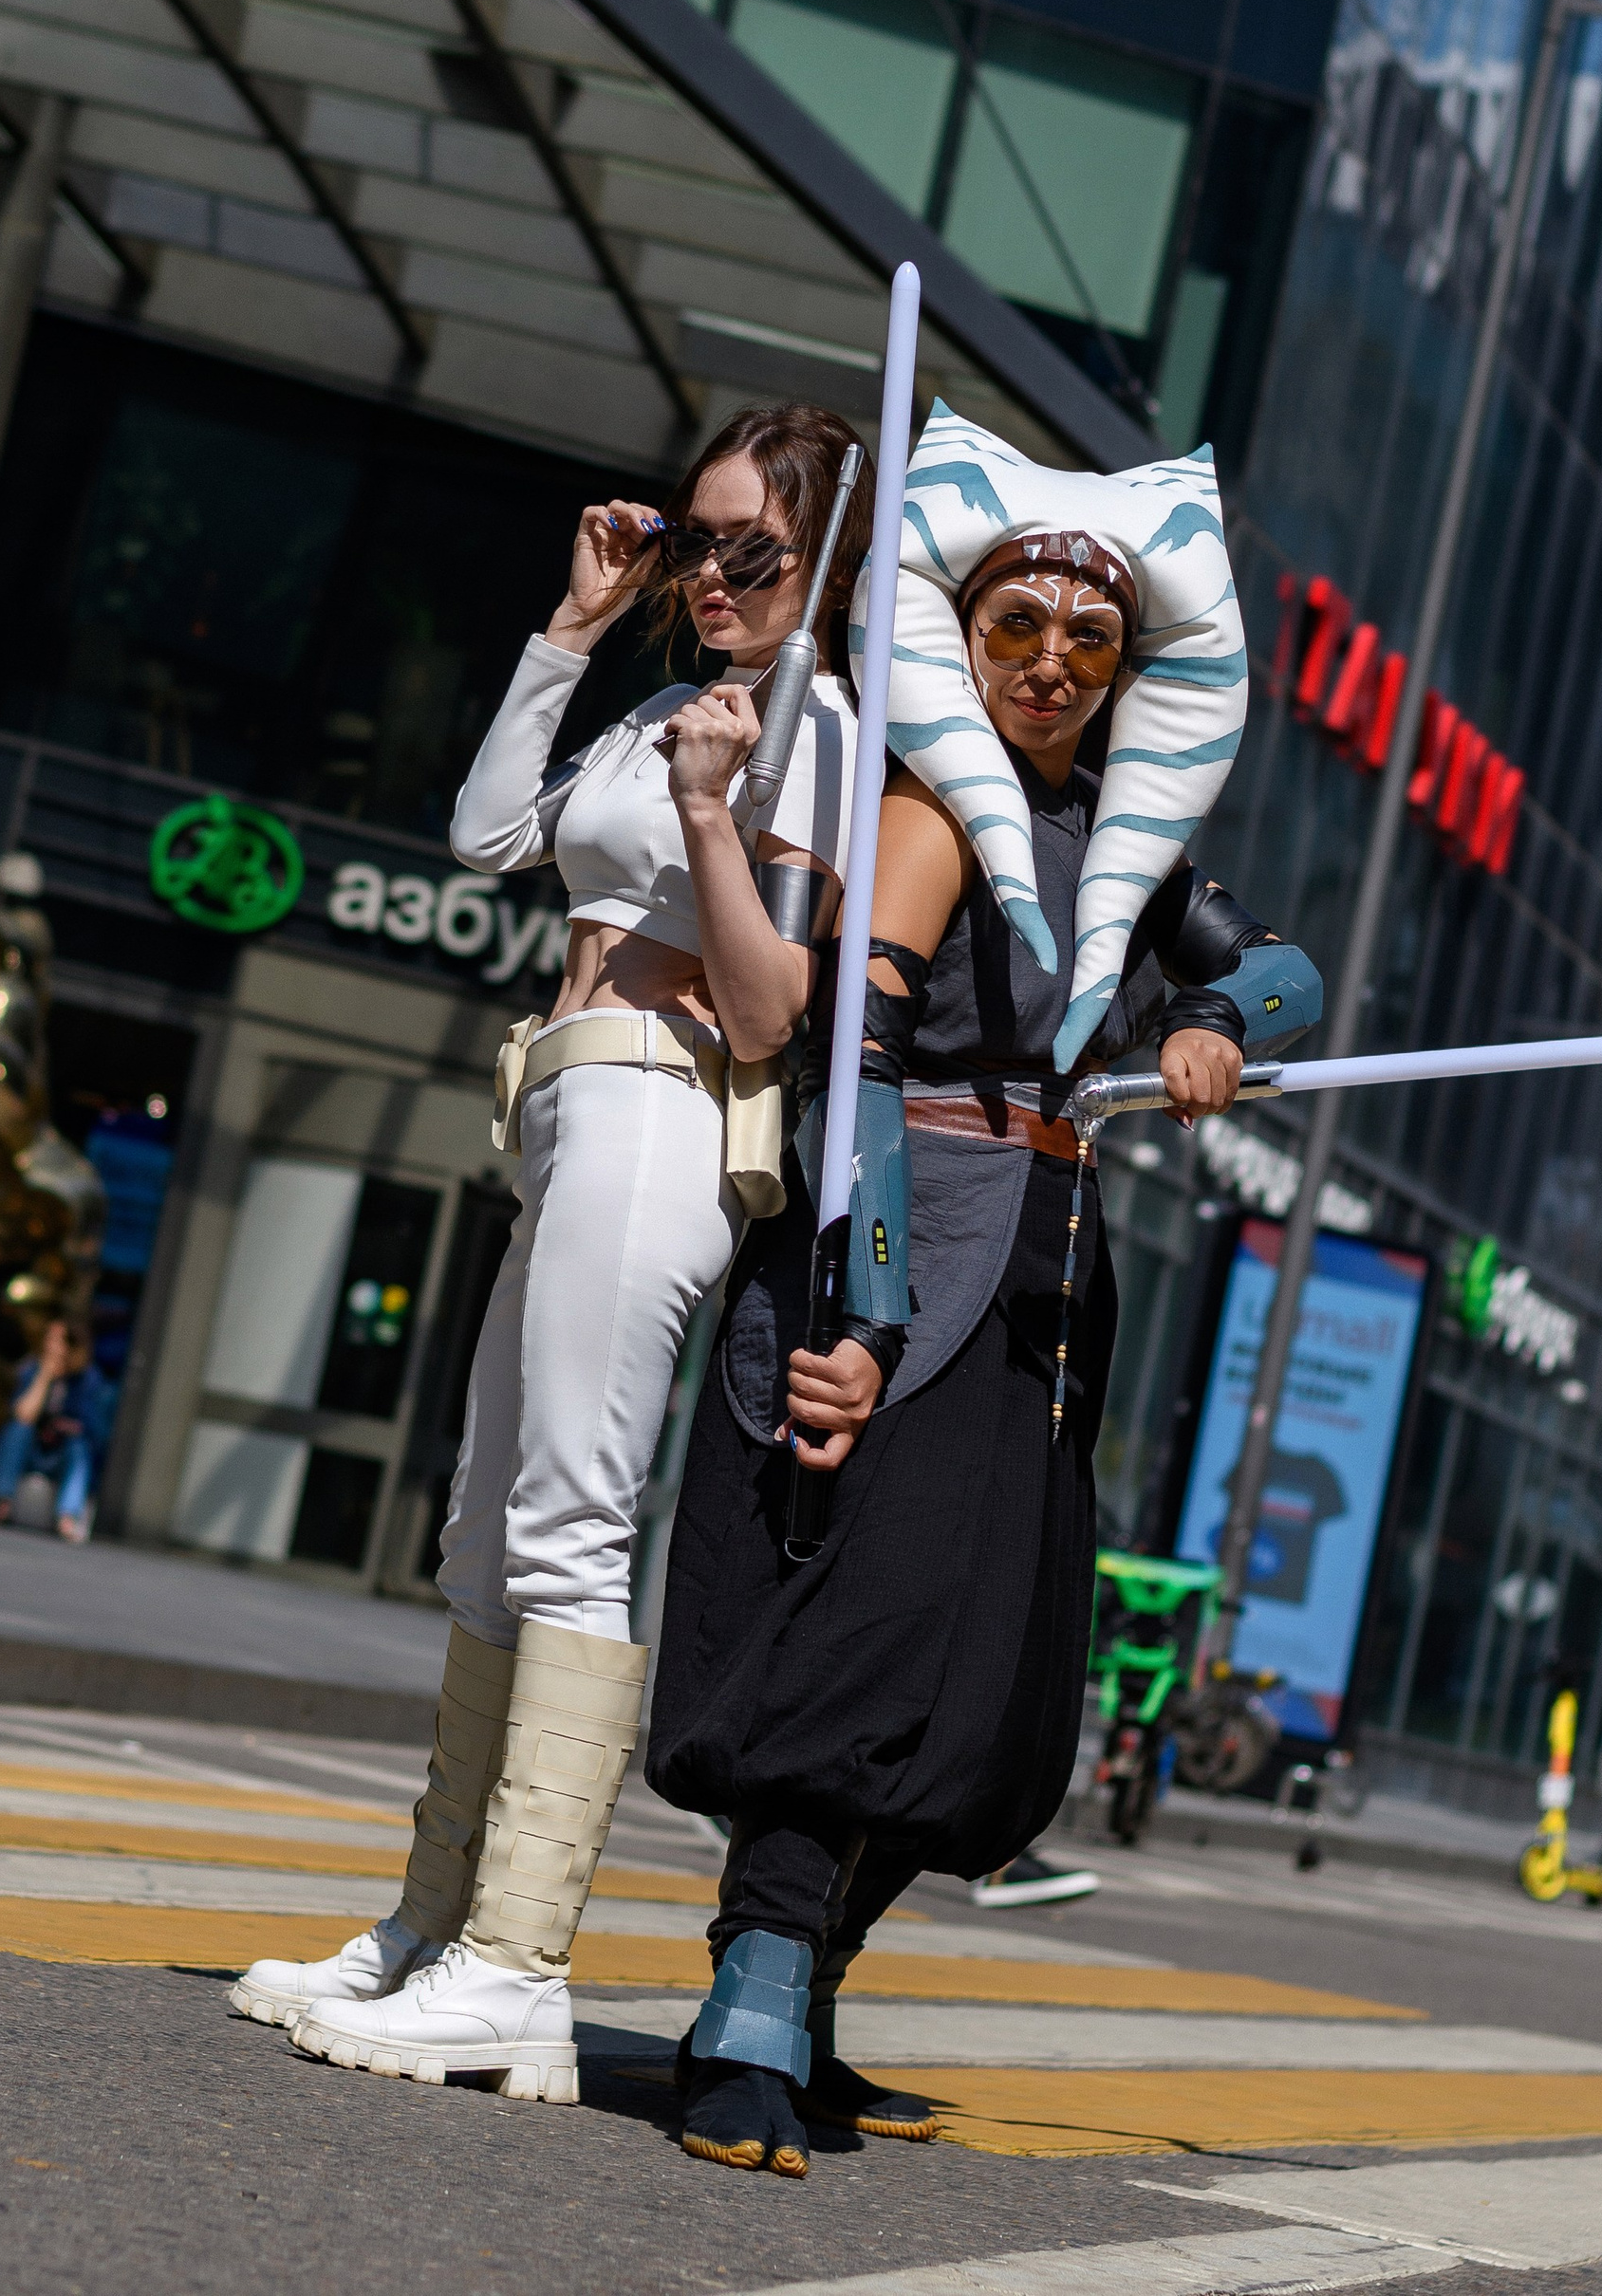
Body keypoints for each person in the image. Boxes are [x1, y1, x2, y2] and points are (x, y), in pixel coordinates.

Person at [646, 406, 1318, 2174]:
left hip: (1046, 1274)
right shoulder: (933, 810)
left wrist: (1213, 1018)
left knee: (985, 1680)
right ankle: (751, 2001)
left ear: (1131, 665)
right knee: (858, 1639)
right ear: (964, 634)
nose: (1048, 664)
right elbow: (854, 1069)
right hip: (911, 1241)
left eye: (1089, 638)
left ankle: (810, 1995)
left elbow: (1286, 967)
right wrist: (865, 1322)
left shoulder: (1129, 842)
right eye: (1015, 626)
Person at [234, 404, 870, 2105]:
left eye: (754, 548)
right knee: (485, 1533)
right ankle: (433, 1929)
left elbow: (770, 1010)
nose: (713, 573)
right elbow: (484, 834)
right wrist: (575, 628)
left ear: (826, 563)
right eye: (695, 539)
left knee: (574, 1521)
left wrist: (716, 806)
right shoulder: (670, 699)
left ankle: (518, 1965)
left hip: (667, 1107)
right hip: (569, 1106)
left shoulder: (818, 731)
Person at [0, 1320, 111, 1541]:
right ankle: (1, 1500)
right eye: (50, 1340)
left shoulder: (89, 1380)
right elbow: (23, 1414)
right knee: (18, 1430)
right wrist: (44, 1375)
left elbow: (94, 1432)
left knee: (79, 1448)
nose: (51, 1347)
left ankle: (68, 1516)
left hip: (60, 1455)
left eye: (58, 1342)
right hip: (31, 1451)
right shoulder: (33, 1369)